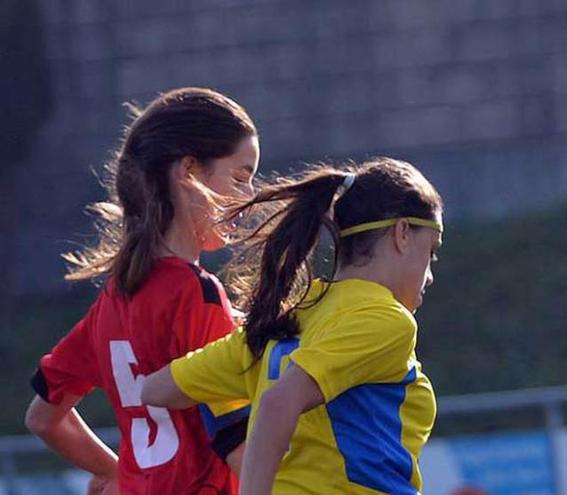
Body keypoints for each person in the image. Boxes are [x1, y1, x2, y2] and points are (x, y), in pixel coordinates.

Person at [141, 158, 443, 494]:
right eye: (430, 252)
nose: (429, 275)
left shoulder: (284, 321)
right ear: (402, 233)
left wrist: (231, 417)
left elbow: (158, 390)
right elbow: (278, 403)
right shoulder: (386, 320)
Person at [24, 87, 259, 495]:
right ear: (189, 173)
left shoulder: (113, 299)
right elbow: (236, 443)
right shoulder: (197, 294)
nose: (249, 197)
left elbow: (43, 419)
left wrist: (117, 473)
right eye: (240, 177)